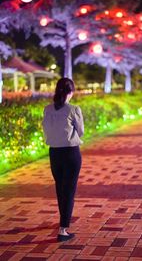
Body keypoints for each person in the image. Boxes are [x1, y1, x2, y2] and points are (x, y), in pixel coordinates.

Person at [42, 78, 84, 242]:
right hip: (71, 153)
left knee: (60, 188)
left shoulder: (47, 109)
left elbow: (46, 130)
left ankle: (62, 223)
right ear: (70, 92)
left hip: (54, 153)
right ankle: (63, 229)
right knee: (69, 190)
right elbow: (80, 132)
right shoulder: (74, 109)